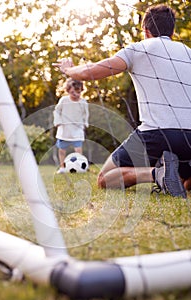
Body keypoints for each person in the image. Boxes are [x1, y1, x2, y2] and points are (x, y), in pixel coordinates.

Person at [53, 4, 191, 197]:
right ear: (173, 31)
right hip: (189, 138)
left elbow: (88, 72)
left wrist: (68, 69)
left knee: (104, 178)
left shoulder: (138, 48)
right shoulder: (188, 53)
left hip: (156, 133)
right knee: (186, 180)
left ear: (145, 30)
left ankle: (156, 173)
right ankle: (175, 172)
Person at [53, 78, 89, 173]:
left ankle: (80, 168)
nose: (76, 95)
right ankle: (62, 167)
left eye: (78, 92)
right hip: (64, 129)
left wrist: (85, 123)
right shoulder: (64, 100)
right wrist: (57, 121)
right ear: (68, 91)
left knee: (78, 149)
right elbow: (57, 111)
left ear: (81, 90)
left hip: (77, 129)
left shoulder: (83, 102)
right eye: (73, 92)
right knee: (62, 150)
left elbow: (85, 114)